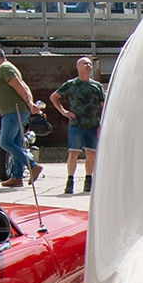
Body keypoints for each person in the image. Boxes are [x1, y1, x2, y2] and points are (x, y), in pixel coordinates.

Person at [0, 45, 42, 187]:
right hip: (15, 111)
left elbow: (20, 86)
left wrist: (29, 103)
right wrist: (30, 104)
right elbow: (25, 86)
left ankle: (33, 166)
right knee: (16, 143)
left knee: (5, 142)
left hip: (13, 112)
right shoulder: (10, 68)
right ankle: (17, 177)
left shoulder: (5, 68)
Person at [49, 57, 106, 194]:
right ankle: (70, 180)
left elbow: (103, 105)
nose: (88, 66)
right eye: (85, 63)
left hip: (92, 124)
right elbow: (54, 97)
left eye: (90, 64)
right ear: (78, 66)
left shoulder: (97, 86)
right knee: (73, 153)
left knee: (91, 153)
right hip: (77, 124)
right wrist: (63, 111)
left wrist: (101, 123)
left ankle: (88, 179)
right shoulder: (71, 84)